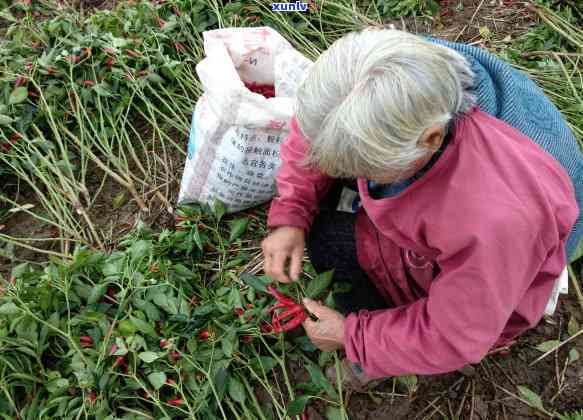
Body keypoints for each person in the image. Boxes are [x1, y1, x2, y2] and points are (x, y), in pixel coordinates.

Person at [261, 28, 582, 388]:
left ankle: (384, 352)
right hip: (489, 219)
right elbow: (314, 132)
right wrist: (291, 214)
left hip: (508, 266)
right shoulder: (390, 70)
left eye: (363, 167)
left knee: (334, 244)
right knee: (324, 221)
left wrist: (354, 337)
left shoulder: (494, 217)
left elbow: (455, 332)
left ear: (429, 139)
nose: (351, 176)